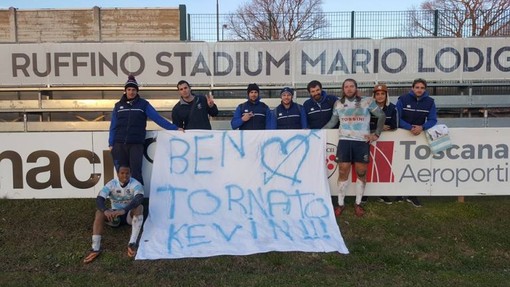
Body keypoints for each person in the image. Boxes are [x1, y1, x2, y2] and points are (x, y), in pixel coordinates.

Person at [323, 78, 385, 217]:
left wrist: (376, 134)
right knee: (343, 171)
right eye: (346, 87)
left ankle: (358, 203)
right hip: (344, 141)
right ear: (343, 89)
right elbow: (332, 122)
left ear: (356, 88)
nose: (349, 89)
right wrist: (317, 132)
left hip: (361, 142)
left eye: (352, 86)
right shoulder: (338, 104)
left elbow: (381, 115)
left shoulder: (367, 101)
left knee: (361, 172)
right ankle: (340, 204)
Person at [109, 75, 180, 185]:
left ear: (137, 91)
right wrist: (111, 143)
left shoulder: (143, 104)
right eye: (129, 89)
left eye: (133, 90)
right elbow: (113, 126)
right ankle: (123, 200)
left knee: (136, 172)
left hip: (136, 144)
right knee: (121, 172)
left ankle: (137, 200)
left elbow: (157, 118)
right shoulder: (118, 106)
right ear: (125, 91)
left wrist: (174, 128)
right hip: (119, 144)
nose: (131, 92)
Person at [83, 166, 144, 264]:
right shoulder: (111, 184)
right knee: (99, 212)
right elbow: (99, 199)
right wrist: (105, 210)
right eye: (122, 173)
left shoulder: (136, 184)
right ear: (118, 174)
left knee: (140, 207)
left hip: (128, 215)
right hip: (115, 217)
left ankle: (132, 243)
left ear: (130, 174)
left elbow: (139, 198)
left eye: (127, 173)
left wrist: (124, 210)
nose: (125, 175)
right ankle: (95, 248)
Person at [395, 78, 437, 207]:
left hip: (418, 137)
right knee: (400, 165)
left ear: (425, 89)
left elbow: (433, 119)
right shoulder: (403, 99)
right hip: (402, 136)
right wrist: (409, 127)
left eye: (422, 88)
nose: (419, 90)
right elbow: (397, 117)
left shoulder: (430, 102)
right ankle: (398, 193)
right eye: (417, 87)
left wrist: (422, 127)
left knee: (415, 166)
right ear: (412, 88)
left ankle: (412, 194)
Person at [302, 80, 340, 215]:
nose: (315, 93)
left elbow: (339, 116)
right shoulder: (306, 104)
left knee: (333, 169)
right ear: (309, 93)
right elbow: (305, 122)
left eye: (317, 90)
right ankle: (316, 194)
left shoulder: (332, 99)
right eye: (312, 91)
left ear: (321, 89)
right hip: (315, 141)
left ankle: (334, 195)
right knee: (316, 167)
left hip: (333, 139)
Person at [361, 83, 398, 205]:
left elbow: (394, 124)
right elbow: (365, 124)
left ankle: (383, 193)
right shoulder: (368, 107)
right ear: (374, 96)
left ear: (386, 95)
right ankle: (365, 194)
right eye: (377, 94)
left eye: (383, 94)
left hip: (386, 144)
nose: (380, 96)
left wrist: (378, 127)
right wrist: (380, 128)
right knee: (367, 167)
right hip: (370, 141)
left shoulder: (392, 107)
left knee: (383, 168)